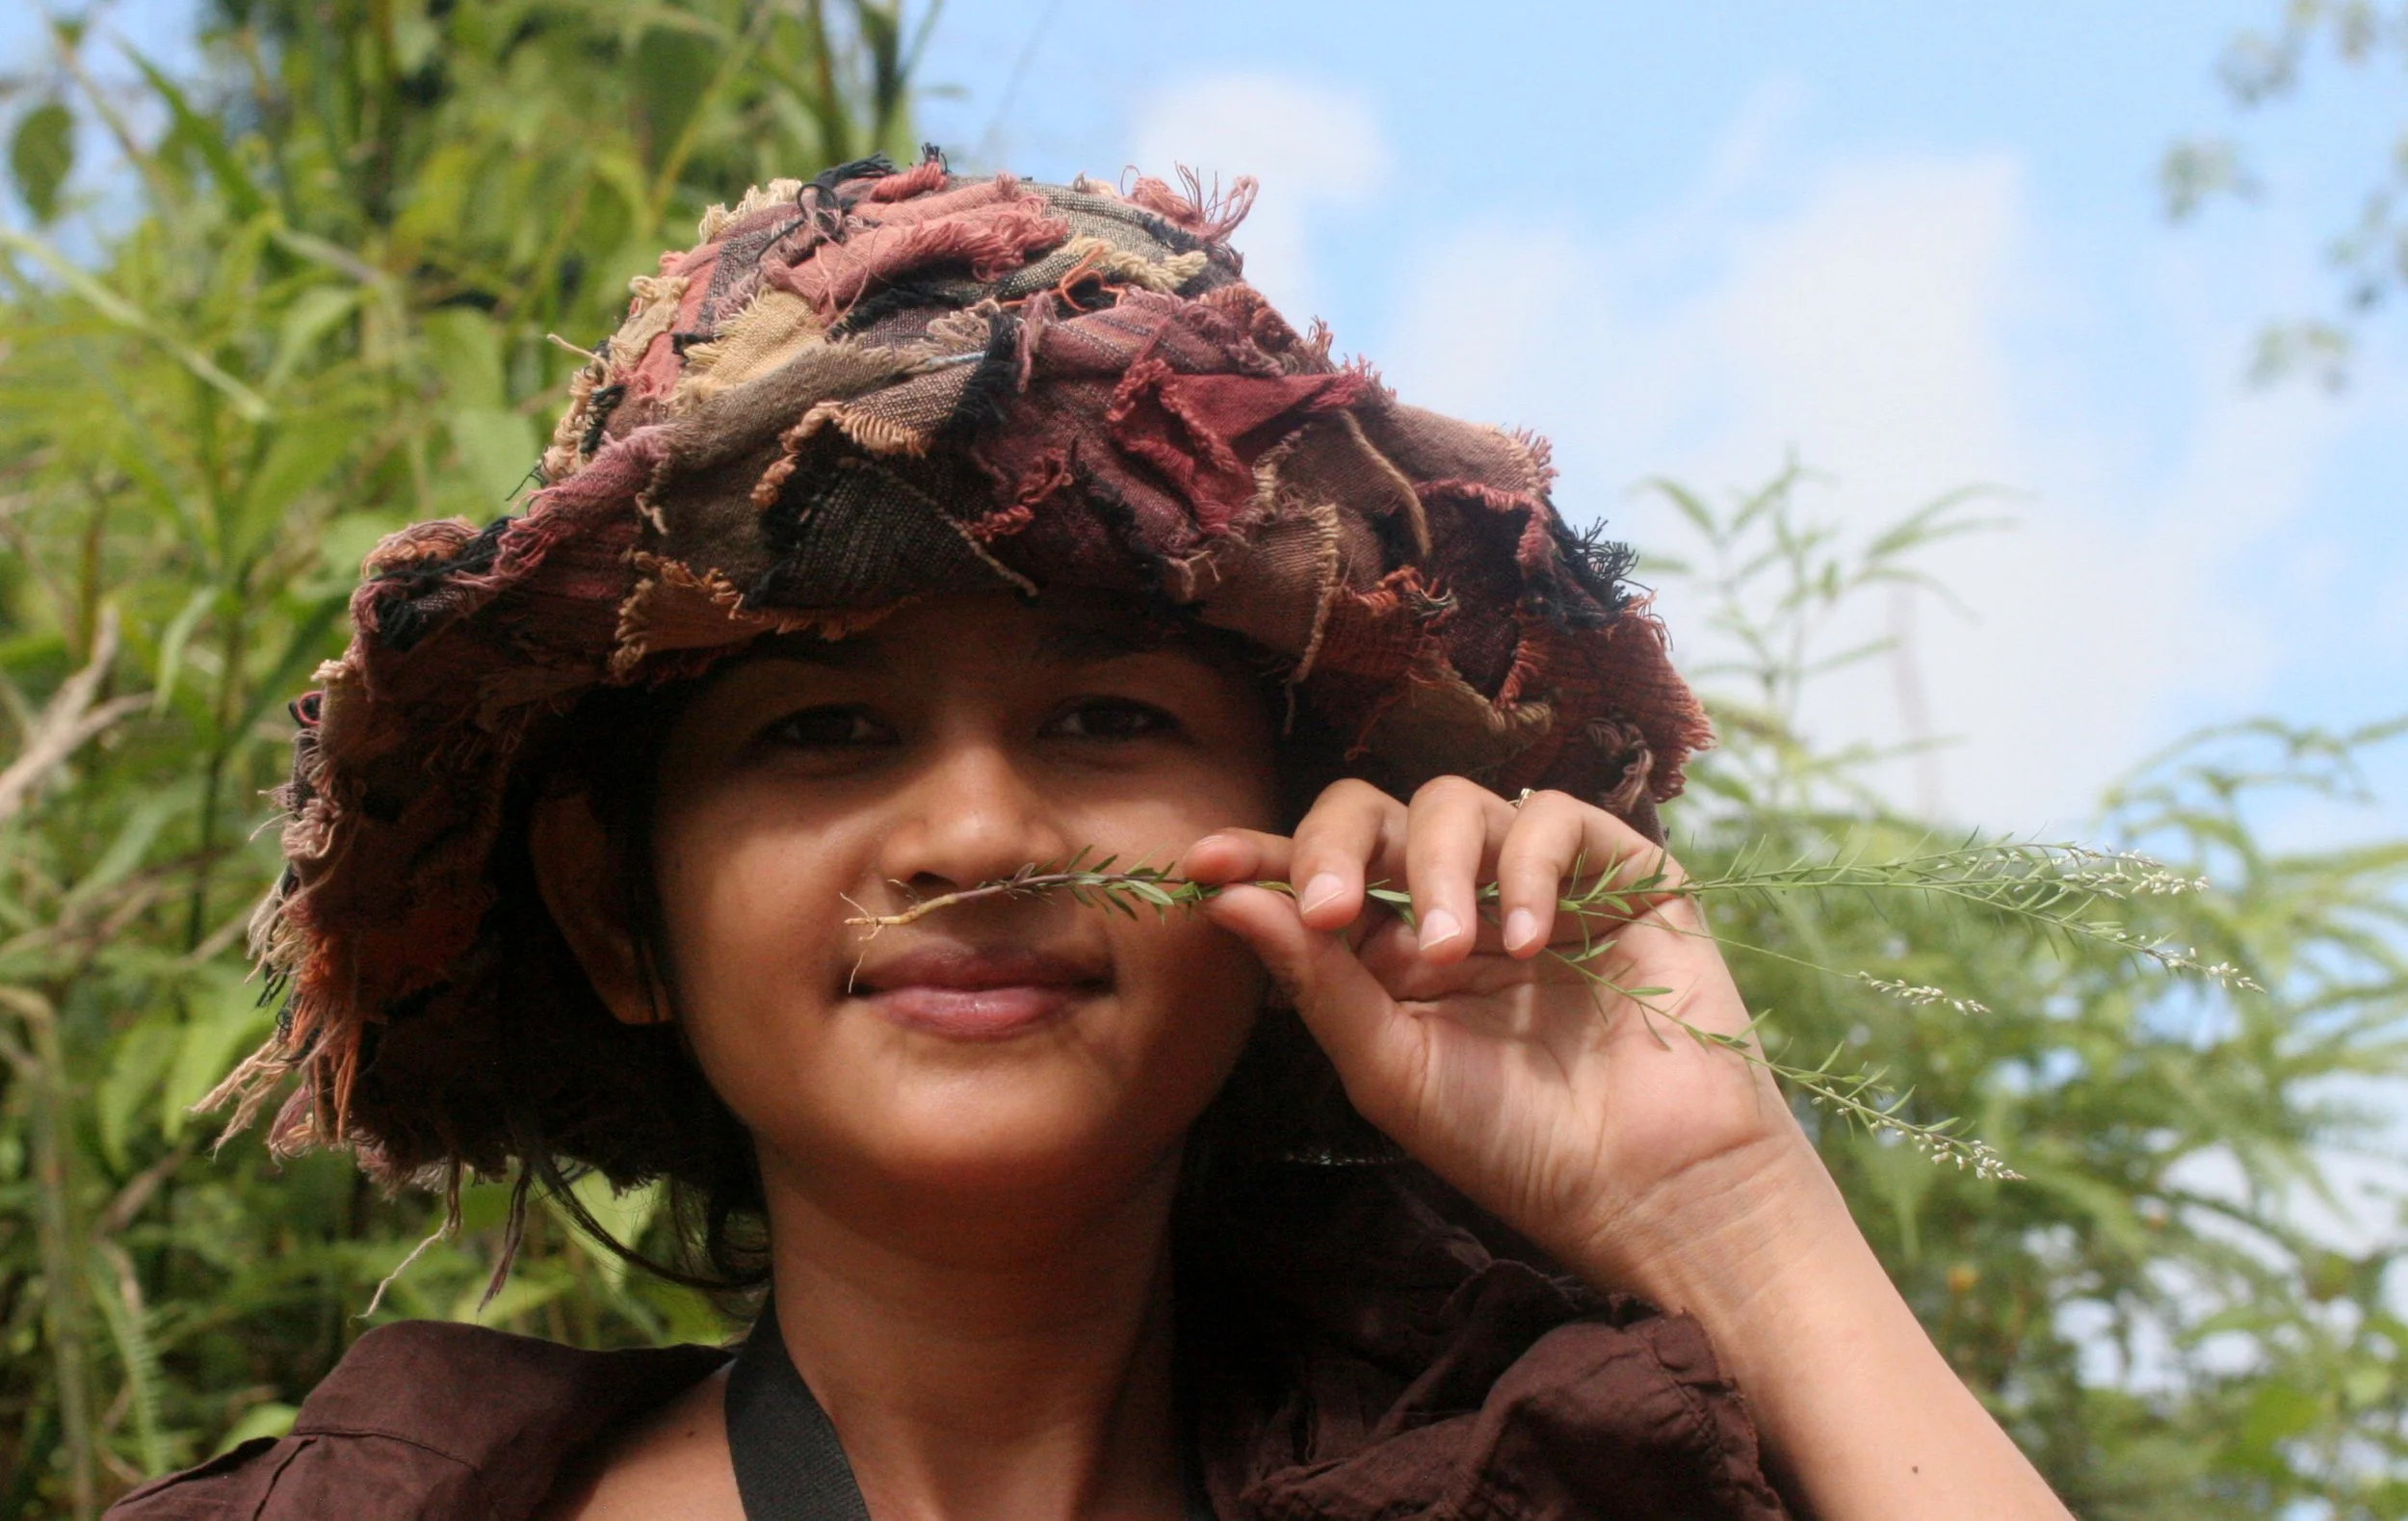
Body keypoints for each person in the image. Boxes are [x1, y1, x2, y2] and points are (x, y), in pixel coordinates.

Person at [110, 155, 2073, 1521]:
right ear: (615, 913)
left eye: (1108, 716)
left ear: (1310, 862)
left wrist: (1722, 1207)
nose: (976, 831)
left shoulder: (1561, 1481)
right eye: (819, 732)